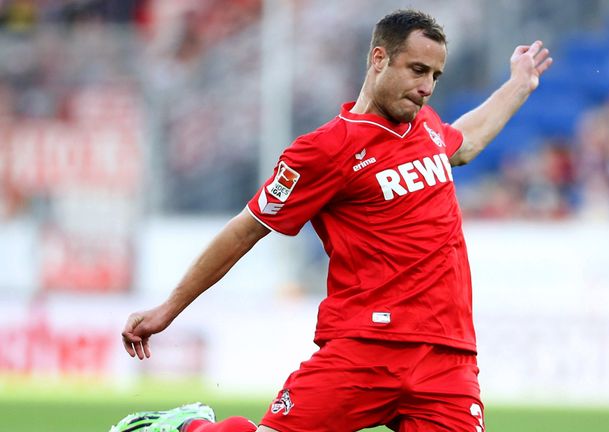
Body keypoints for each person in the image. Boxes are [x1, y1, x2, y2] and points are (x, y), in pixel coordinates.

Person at [112, 9, 552, 432]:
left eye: (435, 76)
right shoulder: (325, 150)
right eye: (417, 70)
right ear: (379, 58)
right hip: (366, 348)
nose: (427, 87)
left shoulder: (427, 129)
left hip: (447, 358)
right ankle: (186, 426)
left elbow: (467, 141)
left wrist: (520, 84)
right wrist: (168, 309)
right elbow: (246, 229)